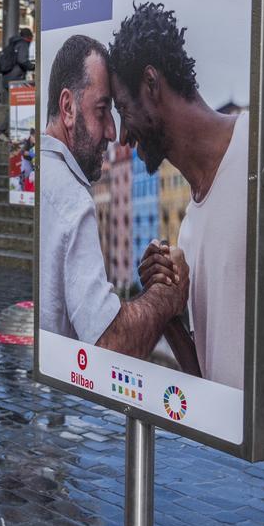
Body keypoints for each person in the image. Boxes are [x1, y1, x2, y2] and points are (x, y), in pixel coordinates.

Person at [106, 2, 250, 389]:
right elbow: (203, 378)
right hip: (227, 447)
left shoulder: (258, 151)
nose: (121, 136)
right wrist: (167, 306)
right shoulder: (189, 227)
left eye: (123, 108)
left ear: (151, 84)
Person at [39, 34, 198, 375]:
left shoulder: (39, 172)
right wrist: (166, 295)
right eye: (102, 111)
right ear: (68, 108)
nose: (113, 131)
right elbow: (110, 344)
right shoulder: (71, 198)